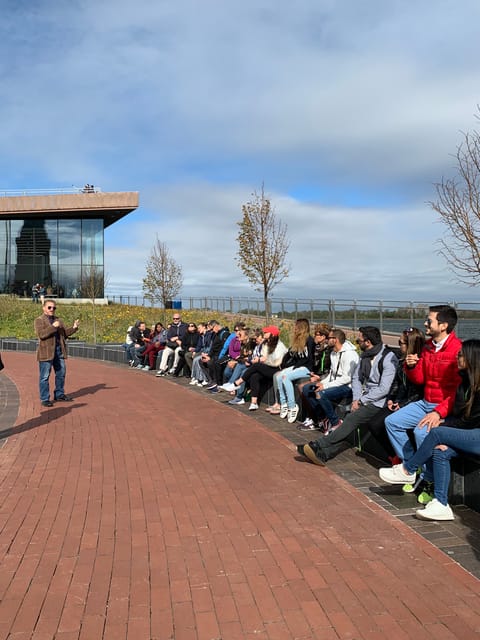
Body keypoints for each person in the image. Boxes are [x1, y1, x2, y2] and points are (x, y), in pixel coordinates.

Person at [379, 339, 480, 521]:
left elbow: (471, 422)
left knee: (435, 432)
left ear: (473, 358)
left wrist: (445, 430)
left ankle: (408, 470)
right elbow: (459, 415)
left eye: (461, 354)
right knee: (439, 451)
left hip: (476, 435)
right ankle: (441, 504)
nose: (458, 356)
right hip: (469, 434)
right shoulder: (464, 382)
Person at [384, 305, 462, 503]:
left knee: (421, 432)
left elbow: (458, 391)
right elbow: (420, 380)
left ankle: (429, 479)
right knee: (392, 422)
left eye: (429, 320)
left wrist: (439, 412)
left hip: (444, 407)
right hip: (425, 402)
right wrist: (411, 366)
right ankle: (411, 467)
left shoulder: (457, 350)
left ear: (443, 325)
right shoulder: (427, 347)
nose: (425, 323)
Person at [298, 326, 398, 465]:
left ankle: (319, 445)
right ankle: (324, 454)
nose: (358, 342)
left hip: (380, 401)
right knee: (349, 421)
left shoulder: (388, 358)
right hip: (365, 397)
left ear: (368, 342)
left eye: (359, 340)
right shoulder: (364, 356)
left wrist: (361, 401)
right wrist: (356, 398)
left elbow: (384, 389)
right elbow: (356, 378)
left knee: (351, 419)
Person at [366, 327, 425, 461]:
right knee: (374, 424)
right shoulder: (401, 360)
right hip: (399, 401)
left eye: (401, 343)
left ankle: (407, 460)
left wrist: (402, 404)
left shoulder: (419, 362)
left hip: (411, 403)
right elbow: (396, 383)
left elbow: (419, 391)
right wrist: (391, 398)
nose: (399, 346)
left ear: (411, 344)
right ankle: (395, 455)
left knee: (384, 423)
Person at [299, 328, 359, 432]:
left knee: (321, 393)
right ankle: (323, 419)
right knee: (307, 389)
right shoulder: (333, 353)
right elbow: (332, 374)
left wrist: (325, 386)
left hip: (347, 387)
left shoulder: (350, 354)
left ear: (335, 340)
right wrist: (322, 383)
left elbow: (347, 378)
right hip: (335, 384)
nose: (327, 340)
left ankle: (336, 422)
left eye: (329, 338)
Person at [34, 299, 80, 407]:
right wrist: (53, 326)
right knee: (44, 376)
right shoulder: (39, 320)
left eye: (54, 308)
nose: (52, 309)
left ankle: (59, 394)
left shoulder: (58, 320)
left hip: (59, 351)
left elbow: (64, 334)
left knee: (61, 374)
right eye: (49, 307)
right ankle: (45, 398)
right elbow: (42, 334)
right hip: (46, 352)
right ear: (44, 308)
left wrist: (74, 328)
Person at [231, 326, 288, 410]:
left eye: (266, 332)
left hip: (276, 369)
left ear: (272, 334)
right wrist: (261, 359)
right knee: (255, 376)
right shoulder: (266, 343)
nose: (264, 333)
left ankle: (238, 382)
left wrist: (263, 360)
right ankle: (254, 403)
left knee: (256, 365)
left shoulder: (280, 346)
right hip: (267, 367)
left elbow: (276, 362)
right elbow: (263, 355)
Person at [273, 318, 315, 423]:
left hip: (307, 368)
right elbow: (294, 357)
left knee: (286, 377)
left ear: (301, 328)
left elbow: (309, 359)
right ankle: (284, 404)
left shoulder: (309, 341)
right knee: (279, 376)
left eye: (296, 327)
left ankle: (292, 406)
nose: (294, 329)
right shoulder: (297, 341)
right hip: (298, 366)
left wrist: (296, 366)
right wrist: (286, 365)